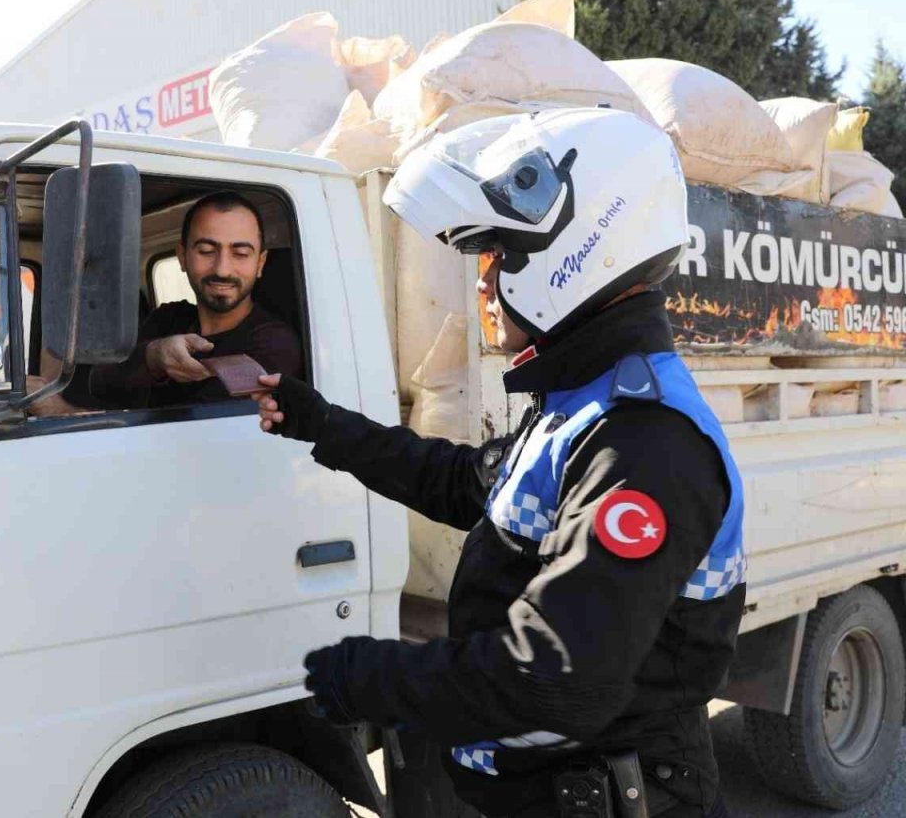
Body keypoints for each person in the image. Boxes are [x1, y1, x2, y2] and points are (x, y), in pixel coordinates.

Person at [254, 109, 743, 818]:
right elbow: (467, 483)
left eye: (499, 255)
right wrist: (320, 423)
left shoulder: (643, 441)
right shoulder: (580, 402)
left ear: (583, 247)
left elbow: (556, 676)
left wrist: (371, 676)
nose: (484, 284)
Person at [90, 191, 302, 408]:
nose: (222, 269)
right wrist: (153, 357)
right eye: (206, 251)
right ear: (182, 257)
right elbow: (99, 384)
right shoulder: (168, 319)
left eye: (240, 253)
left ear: (260, 264)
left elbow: (199, 431)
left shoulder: (275, 345)